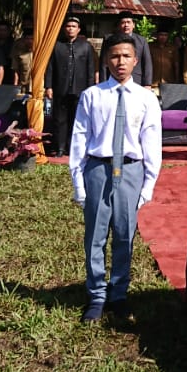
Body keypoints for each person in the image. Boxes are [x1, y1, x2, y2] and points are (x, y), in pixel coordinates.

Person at [69, 35, 162, 324]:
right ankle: (96, 295)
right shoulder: (93, 96)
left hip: (131, 171)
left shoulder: (147, 99)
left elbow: (152, 144)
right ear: (106, 60)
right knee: (95, 237)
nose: (120, 62)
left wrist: (147, 185)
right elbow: (79, 139)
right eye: (114, 56)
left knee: (124, 235)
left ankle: (119, 294)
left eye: (126, 56)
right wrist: (79, 183)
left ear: (136, 60)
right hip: (99, 170)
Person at [47, 15, 97, 157]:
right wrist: (48, 86)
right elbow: (50, 67)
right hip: (60, 88)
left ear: (78, 29)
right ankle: (60, 147)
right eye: (68, 26)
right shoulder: (56, 45)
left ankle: (73, 147)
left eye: (73, 27)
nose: (71, 29)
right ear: (64, 29)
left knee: (77, 119)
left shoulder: (86, 46)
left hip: (80, 89)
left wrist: (90, 88)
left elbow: (90, 70)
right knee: (59, 119)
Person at [101, 11, 153, 87]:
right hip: (113, 81)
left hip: (136, 81)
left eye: (129, 22)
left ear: (133, 25)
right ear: (119, 25)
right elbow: (103, 64)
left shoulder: (142, 41)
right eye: (123, 23)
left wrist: (147, 84)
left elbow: (147, 63)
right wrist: (103, 82)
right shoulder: (109, 39)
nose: (126, 25)